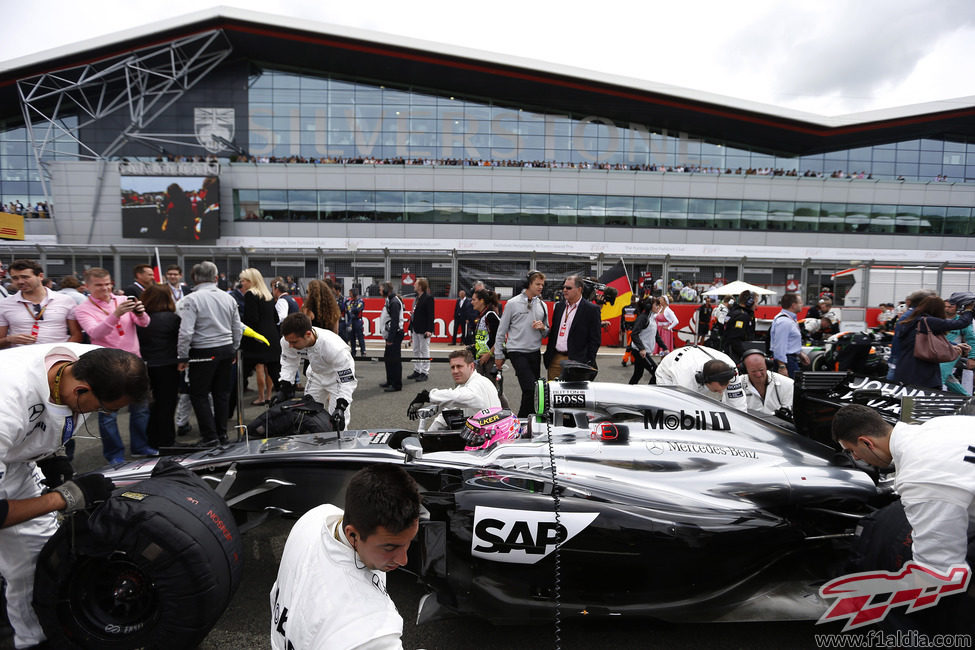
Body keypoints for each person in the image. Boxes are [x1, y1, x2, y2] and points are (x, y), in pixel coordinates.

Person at [0, 343, 148, 649]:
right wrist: (66, 497)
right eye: (102, 408)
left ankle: (34, 639)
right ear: (81, 390)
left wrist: (54, 460)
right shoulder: (7, 403)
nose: (105, 414)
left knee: (35, 560)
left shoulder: (96, 362)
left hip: (14, 461)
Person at [270, 463, 420, 650]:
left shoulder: (315, 516)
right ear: (352, 535)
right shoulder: (372, 635)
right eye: (389, 547)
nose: (403, 560)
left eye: (409, 542)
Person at [831, 404, 974, 576]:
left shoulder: (920, 474)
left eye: (852, 451)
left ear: (866, 442)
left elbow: (940, 571)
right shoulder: (942, 424)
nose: (856, 458)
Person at [73, 267, 155, 463]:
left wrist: (142, 313)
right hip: (106, 365)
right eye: (99, 285)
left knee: (140, 408)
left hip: (134, 361)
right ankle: (114, 454)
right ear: (87, 286)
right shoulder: (83, 309)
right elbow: (96, 333)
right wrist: (115, 314)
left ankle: (140, 446)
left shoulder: (123, 299)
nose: (106, 288)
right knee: (107, 413)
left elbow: (144, 323)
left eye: (108, 283)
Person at [177, 261, 242, 447]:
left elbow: (186, 331)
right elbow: (237, 327)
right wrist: (234, 348)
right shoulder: (228, 298)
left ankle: (210, 437)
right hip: (226, 348)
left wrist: (182, 356)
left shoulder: (191, 299)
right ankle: (222, 435)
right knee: (222, 394)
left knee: (199, 394)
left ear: (194, 278)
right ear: (215, 278)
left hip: (202, 350)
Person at [274, 312, 356, 431]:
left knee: (337, 422)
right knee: (306, 415)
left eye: (294, 342)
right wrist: (284, 386)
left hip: (337, 378)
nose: (290, 346)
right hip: (316, 374)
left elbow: (347, 380)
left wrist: (341, 406)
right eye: (288, 342)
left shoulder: (333, 346)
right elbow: (289, 362)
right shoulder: (288, 341)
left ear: (308, 334)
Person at [494, 271, 549, 418]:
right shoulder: (512, 303)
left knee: (533, 391)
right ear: (529, 284)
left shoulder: (543, 305)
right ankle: (522, 420)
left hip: (535, 352)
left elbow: (547, 331)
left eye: (542, 285)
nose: (540, 287)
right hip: (517, 352)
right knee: (531, 389)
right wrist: (499, 354)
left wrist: (543, 328)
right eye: (537, 284)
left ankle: (527, 421)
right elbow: (501, 330)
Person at [407, 348, 501, 431]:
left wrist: (428, 396)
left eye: (459, 366)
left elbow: (458, 397)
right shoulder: (467, 385)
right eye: (452, 367)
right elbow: (447, 413)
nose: (455, 371)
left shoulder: (478, 384)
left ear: (471, 366)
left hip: (486, 444)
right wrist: (427, 436)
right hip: (483, 437)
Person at [892, 295, 974, 389]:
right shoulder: (929, 321)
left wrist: (953, 345)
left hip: (905, 367)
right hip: (922, 370)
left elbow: (924, 342)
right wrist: (968, 310)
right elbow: (960, 323)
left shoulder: (911, 320)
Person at [0, 259, 82, 349]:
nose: (20, 281)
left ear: (40, 276)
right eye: (15, 278)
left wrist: (61, 353)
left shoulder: (65, 300)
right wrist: (9, 339)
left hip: (57, 358)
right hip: (21, 357)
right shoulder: (5, 304)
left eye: (25, 277)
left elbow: (77, 335)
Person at [137, 284, 181, 449]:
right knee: (167, 404)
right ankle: (167, 440)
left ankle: (149, 438)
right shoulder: (173, 318)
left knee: (146, 406)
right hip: (168, 366)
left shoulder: (140, 318)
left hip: (144, 365)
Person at [654, 345, 748, 411]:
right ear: (703, 380)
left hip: (696, 357)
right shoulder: (685, 380)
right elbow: (684, 410)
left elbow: (738, 404)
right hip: (668, 372)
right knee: (671, 407)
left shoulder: (730, 369)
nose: (721, 392)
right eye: (716, 390)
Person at [544, 275, 601, 380]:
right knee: (554, 394)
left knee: (575, 394)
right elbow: (554, 332)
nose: (564, 290)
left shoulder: (591, 309)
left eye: (568, 288)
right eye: (563, 287)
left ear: (579, 289)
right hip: (556, 359)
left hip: (577, 362)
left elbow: (595, 339)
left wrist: (588, 361)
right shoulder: (559, 307)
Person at [239, 268, 282, 406]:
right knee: (276, 375)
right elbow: (276, 318)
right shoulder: (268, 296)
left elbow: (251, 320)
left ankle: (227, 411)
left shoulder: (251, 295)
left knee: (241, 377)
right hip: (272, 339)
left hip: (256, 341)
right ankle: (284, 404)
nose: (242, 284)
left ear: (251, 281)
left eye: (244, 280)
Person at [738, 349, 794, 417]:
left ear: (767, 366)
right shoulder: (737, 384)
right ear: (744, 370)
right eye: (753, 371)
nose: (758, 374)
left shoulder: (788, 384)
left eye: (761, 370)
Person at [941, 292, 975, 394]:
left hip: (953, 353)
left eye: (951, 306)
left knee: (940, 376)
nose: (947, 308)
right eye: (945, 306)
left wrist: (972, 358)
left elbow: (971, 339)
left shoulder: (962, 322)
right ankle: (967, 398)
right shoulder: (938, 320)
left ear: (957, 307)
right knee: (948, 379)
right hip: (937, 353)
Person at [769, 293, 804, 378]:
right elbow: (779, 346)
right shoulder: (784, 321)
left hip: (789, 360)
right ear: (793, 305)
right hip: (787, 361)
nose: (802, 305)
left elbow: (789, 342)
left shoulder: (789, 320)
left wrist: (800, 353)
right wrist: (782, 366)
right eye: (800, 302)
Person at [628, 297, 660, 384]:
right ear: (649, 306)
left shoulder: (652, 319)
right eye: (656, 305)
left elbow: (657, 336)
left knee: (637, 374)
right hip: (640, 352)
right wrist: (641, 348)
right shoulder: (643, 318)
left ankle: (628, 392)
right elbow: (634, 334)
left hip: (643, 351)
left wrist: (665, 348)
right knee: (657, 373)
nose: (658, 307)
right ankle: (650, 393)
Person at [380, 282, 404, 392]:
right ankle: (390, 380)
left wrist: (390, 338)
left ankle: (396, 384)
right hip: (391, 334)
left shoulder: (394, 302)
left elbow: (395, 322)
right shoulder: (389, 300)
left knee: (395, 360)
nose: (379, 291)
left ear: (386, 290)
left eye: (381, 289)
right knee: (388, 358)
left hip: (395, 335)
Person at [408, 277, 434, 382]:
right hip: (415, 327)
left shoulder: (428, 298)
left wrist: (429, 330)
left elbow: (431, 315)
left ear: (420, 286)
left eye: (416, 283)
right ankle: (417, 370)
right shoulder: (417, 297)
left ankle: (424, 372)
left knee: (424, 350)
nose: (414, 285)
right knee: (416, 350)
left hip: (424, 329)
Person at [723, 290, 756, 363]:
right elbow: (735, 340)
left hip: (730, 353)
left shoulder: (733, 312)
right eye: (755, 302)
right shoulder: (741, 316)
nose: (756, 305)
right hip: (737, 357)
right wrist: (747, 355)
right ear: (749, 302)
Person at [619, 295, 639, 366]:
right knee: (630, 345)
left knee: (630, 344)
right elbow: (639, 320)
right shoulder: (637, 309)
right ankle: (625, 359)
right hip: (635, 330)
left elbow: (622, 320)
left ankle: (633, 360)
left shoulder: (625, 308)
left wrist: (622, 329)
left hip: (627, 329)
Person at [347, 289, 367, 358]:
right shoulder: (349, 301)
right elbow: (348, 310)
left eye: (350, 293)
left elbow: (358, 309)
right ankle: (353, 352)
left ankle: (363, 351)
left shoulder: (360, 301)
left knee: (360, 337)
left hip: (358, 321)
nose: (349, 294)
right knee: (352, 337)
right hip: (351, 321)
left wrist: (352, 309)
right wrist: (352, 309)